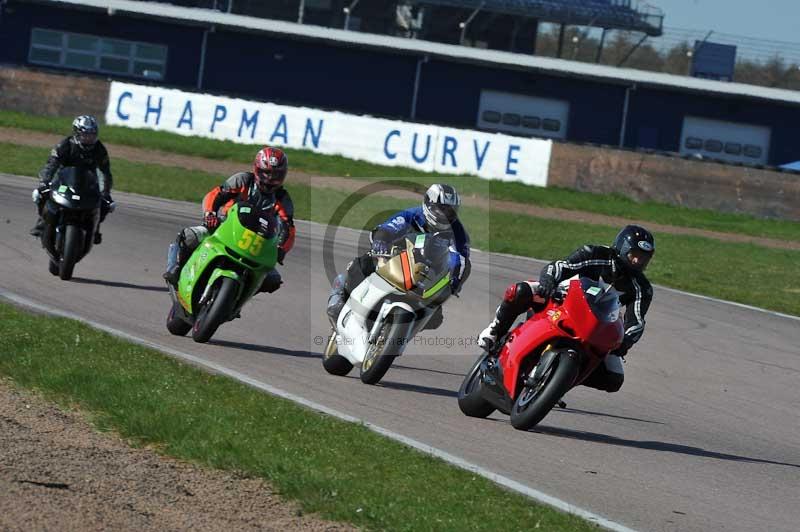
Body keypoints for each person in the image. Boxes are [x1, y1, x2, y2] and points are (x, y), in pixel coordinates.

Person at [477, 225, 655, 393]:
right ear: (622, 249)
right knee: (521, 291)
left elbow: (636, 321)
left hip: (595, 326)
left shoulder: (642, 288)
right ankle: (495, 330)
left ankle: (555, 383)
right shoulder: (595, 253)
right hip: (561, 300)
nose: (638, 261)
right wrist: (548, 281)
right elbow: (561, 266)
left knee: (614, 378)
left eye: (644, 258)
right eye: (634, 254)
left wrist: (626, 342)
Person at [326, 183, 471, 327]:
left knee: (435, 318)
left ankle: (398, 337)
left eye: (450, 211)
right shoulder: (411, 215)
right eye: (441, 209)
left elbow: (460, 260)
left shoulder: (458, 234)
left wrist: (454, 282)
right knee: (363, 264)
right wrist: (381, 242)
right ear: (429, 204)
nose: (445, 215)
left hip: (426, 278)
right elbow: (387, 228)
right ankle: (339, 295)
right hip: (396, 261)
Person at [162, 146, 295, 293]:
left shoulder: (283, 199)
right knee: (189, 236)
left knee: (272, 280)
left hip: (257, 246)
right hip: (222, 229)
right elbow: (215, 194)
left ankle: (237, 298)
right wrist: (209, 214)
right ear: (257, 169)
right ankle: (174, 269)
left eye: (276, 175)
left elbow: (288, 228)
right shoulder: (243, 180)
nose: (270, 179)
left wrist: (281, 249)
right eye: (267, 173)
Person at [30, 115, 114, 243]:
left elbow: (105, 173)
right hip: (64, 182)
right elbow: (51, 165)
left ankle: (95, 230)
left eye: (92, 135)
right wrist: (44, 183)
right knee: (43, 194)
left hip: (88, 184)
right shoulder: (65, 145)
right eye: (86, 134)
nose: (89, 138)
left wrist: (106, 192)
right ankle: (42, 222)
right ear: (77, 133)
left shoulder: (99, 149)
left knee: (105, 204)